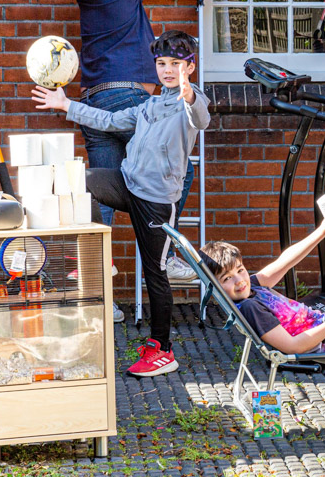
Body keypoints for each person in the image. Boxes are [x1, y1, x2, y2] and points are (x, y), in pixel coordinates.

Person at [32, 31, 211, 377]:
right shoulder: (150, 104)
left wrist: (188, 90)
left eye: (176, 64)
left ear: (190, 66)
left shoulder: (191, 101)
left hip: (157, 201)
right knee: (78, 181)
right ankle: (98, 260)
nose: (168, 70)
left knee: (155, 274)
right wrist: (65, 105)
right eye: (162, 64)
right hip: (127, 183)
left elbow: (199, 116)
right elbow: (110, 121)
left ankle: (162, 350)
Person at [75, 0, 197, 290]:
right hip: (130, 97)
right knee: (177, 170)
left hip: (94, 102)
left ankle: (95, 275)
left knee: (102, 192)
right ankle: (170, 252)